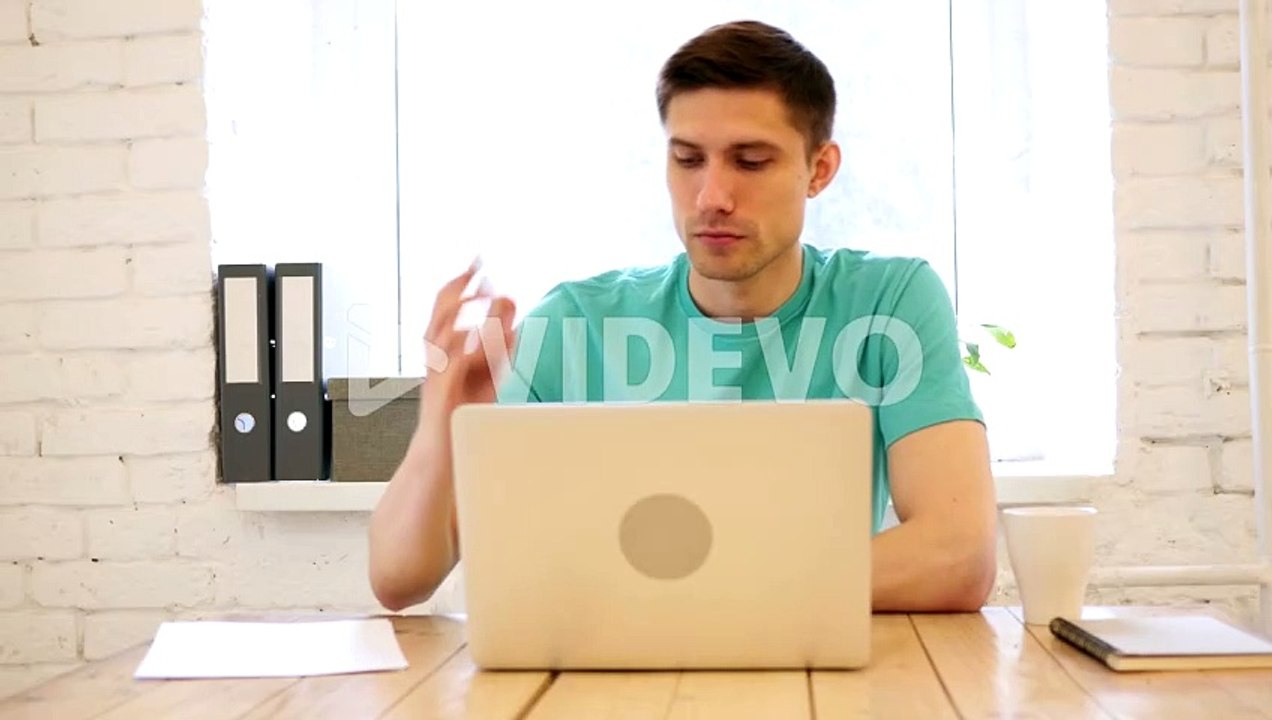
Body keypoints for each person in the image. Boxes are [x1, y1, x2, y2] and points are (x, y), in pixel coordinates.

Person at [369, 19, 997, 613]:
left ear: (820, 170)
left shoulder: (889, 303)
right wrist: (440, 425)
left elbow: (959, 554)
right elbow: (399, 581)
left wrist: (703, 600)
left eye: (751, 162)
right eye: (688, 159)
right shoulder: (576, 323)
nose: (712, 197)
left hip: (807, 667)